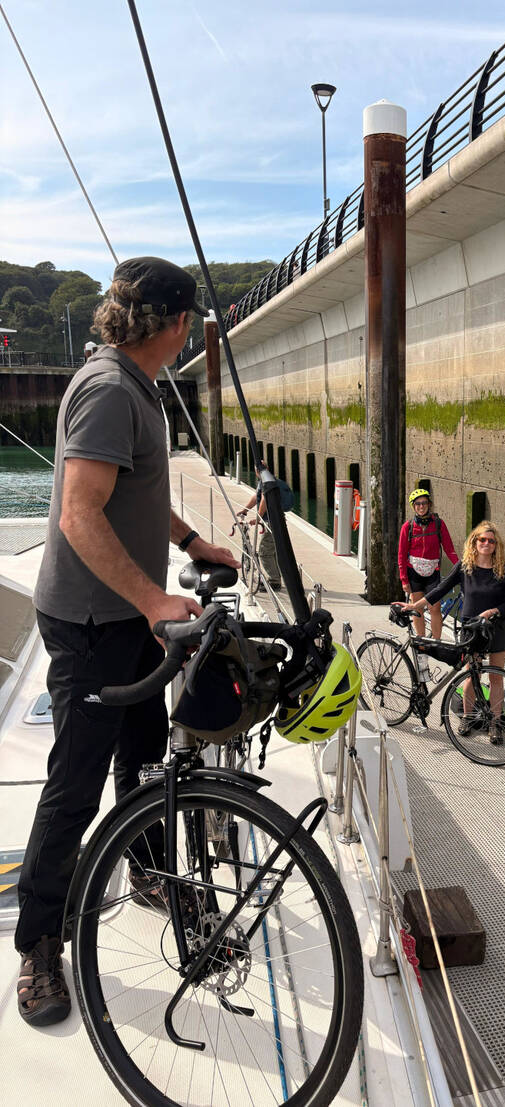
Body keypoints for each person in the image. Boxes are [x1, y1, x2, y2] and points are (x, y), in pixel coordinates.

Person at [16, 256, 239, 1028]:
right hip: (91, 623)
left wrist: (191, 541)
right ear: (178, 326)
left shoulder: (134, 384)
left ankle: (145, 871)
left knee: (142, 758)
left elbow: (136, 490)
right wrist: (153, 600)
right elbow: (81, 513)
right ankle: (39, 943)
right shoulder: (112, 390)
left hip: (128, 617)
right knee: (75, 782)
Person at [401, 520, 505, 743]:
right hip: (472, 630)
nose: (487, 544)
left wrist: (493, 611)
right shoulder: (465, 566)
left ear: (496, 545)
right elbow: (441, 589)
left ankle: (495, 724)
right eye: (482, 539)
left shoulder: (504, 570)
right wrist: (417, 605)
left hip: (498, 629)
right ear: (475, 542)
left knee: (496, 678)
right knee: (472, 675)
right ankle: (468, 717)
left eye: (491, 541)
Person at [397, 488, 458, 638]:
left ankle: (437, 642)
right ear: (413, 506)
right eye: (417, 504)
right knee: (417, 609)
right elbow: (401, 555)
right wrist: (404, 580)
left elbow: (449, 549)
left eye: (424, 503)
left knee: (435, 608)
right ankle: (421, 641)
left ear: (429, 504)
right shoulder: (408, 527)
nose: (421, 506)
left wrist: (460, 566)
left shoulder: (438, 524)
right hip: (414, 572)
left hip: (433, 572)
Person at [237, 460, 282, 590]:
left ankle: (274, 581)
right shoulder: (265, 480)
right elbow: (255, 497)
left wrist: (257, 519)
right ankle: (275, 578)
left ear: (257, 471)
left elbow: (264, 500)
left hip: (271, 522)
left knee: (264, 552)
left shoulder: (266, 482)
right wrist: (245, 510)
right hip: (274, 520)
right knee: (271, 551)